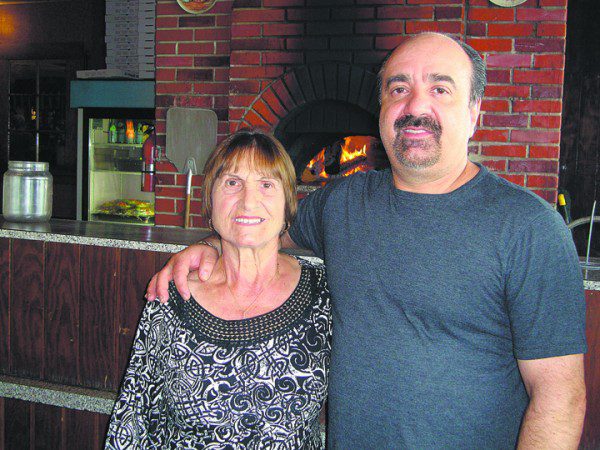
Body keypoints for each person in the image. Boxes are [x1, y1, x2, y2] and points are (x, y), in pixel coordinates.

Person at [147, 33, 587, 448]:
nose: (415, 105)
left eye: (440, 89)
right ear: (381, 108)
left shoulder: (529, 228)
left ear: (474, 113)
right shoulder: (341, 202)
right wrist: (209, 246)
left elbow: (559, 397)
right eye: (399, 89)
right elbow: (262, 229)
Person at [106, 129, 332, 449]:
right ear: (211, 203)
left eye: (266, 184)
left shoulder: (323, 294)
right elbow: (135, 419)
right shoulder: (173, 296)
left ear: (288, 206)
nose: (248, 201)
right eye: (232, 183)